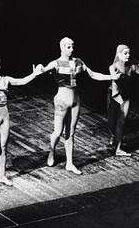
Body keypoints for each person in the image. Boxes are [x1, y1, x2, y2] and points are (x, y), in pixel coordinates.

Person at [35, 37, 116, 175]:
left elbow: (93, 74)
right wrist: (38, 68)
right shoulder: (56, 63)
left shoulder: (78, 62)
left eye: (72, 46)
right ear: (61, 48)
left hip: (75, 101)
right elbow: (42, 70)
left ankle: (70, 163)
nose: (71, 49)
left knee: (71, 133)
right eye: (68, 47)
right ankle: (52, 151)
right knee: (58, 132)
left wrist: (111, 77)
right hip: (61, 100)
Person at [0, 56, 41, 186]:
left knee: (3, 146)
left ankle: (2, 175)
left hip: (4, 115)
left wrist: (34, 75)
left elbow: (21, 81)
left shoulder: (5, 79)